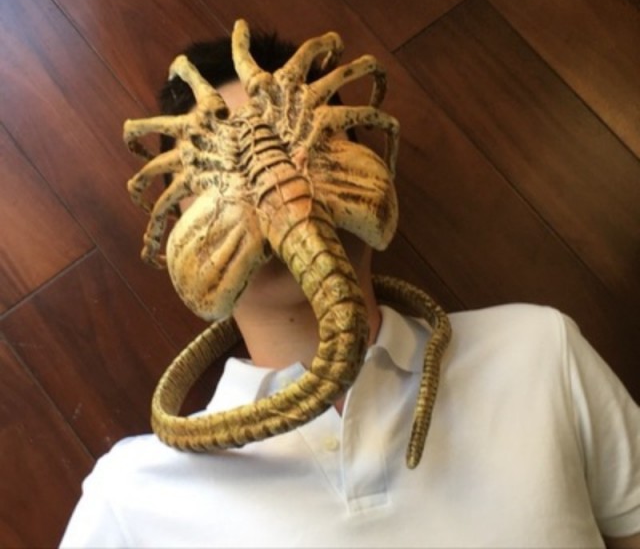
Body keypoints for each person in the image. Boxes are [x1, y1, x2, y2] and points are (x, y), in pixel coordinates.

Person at [60, 30, 640, 548]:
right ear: (176, 229)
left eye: (311, 145)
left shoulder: (540, 350)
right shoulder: (131, 497)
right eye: (218, 185)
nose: (279, 175)